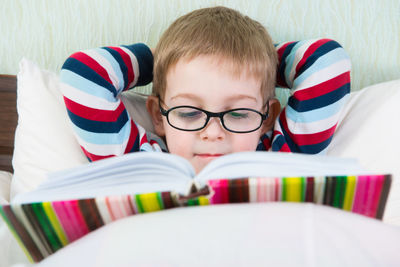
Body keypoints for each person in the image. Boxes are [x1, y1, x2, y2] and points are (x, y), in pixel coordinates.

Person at [60, 6, 350, 173]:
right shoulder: (140, 163)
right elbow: (84, 74)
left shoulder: (285, 156)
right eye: (187, 112)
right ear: (158, 116)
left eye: (238, 113)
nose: (213, 133)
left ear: (267, 116)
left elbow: (327, 61)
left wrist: (256, 58)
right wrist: (162, 60)